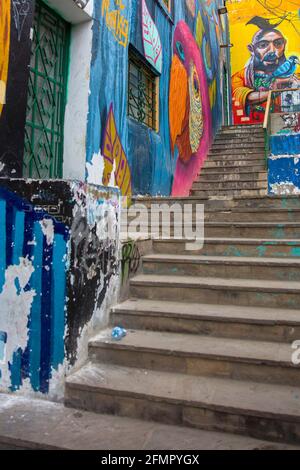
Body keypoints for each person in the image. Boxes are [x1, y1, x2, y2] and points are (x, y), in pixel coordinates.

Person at [232, 16, 300, 123]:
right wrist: (276, 88)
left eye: (278, 43)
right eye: (263, 45)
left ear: (284, 44)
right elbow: (246, 97)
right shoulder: (241, 76)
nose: (272, 50)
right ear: (252, 49)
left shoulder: (293, 75)